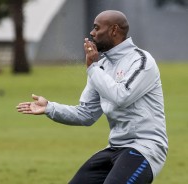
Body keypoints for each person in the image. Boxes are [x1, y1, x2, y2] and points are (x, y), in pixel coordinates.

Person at [16, 10, 168, 184]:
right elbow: (86, 114)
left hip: (145, 148)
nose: (92, 33)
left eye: (96, 28)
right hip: (115, 148)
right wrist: (49, 108)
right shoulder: (100, 66)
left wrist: (93, 68)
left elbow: (122, 96)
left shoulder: (141, 61)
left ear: (114, 30)